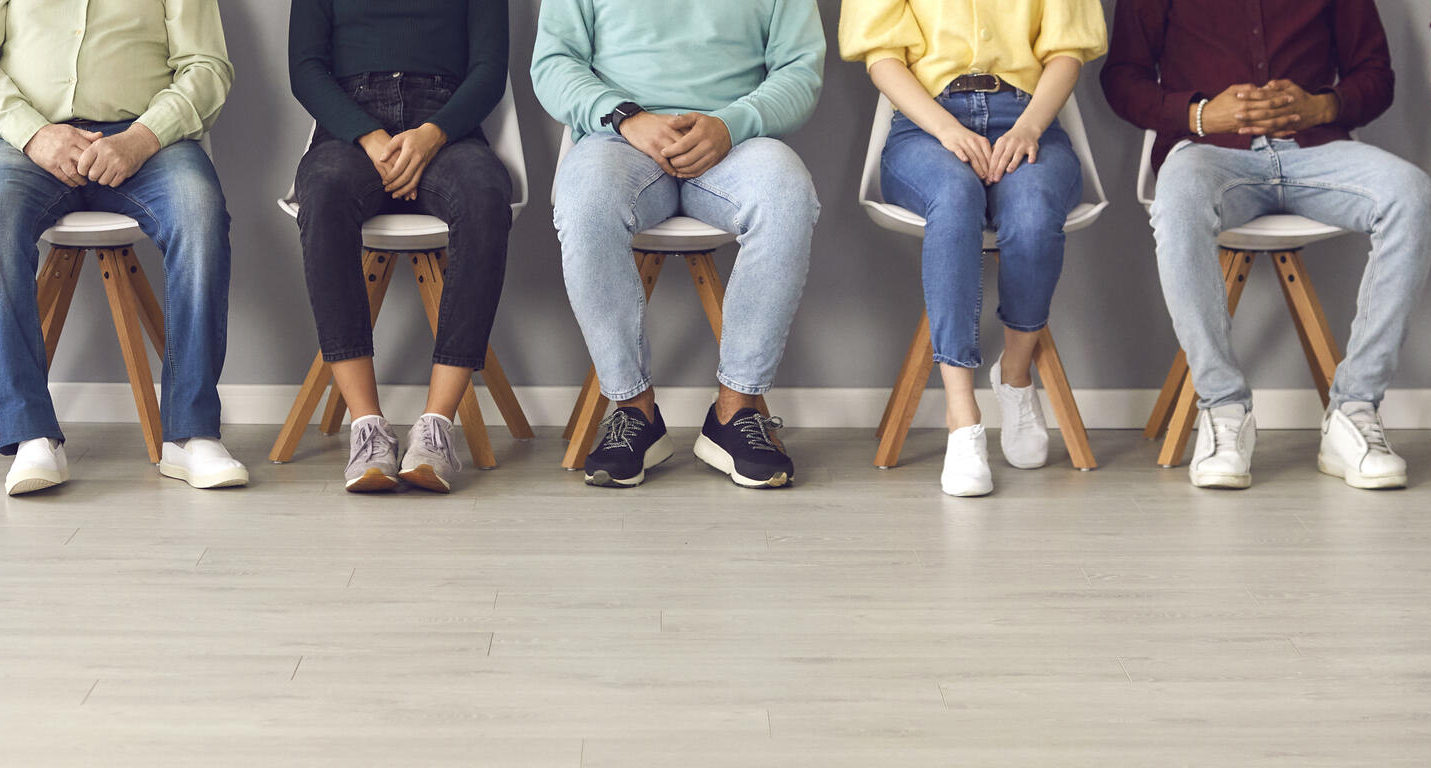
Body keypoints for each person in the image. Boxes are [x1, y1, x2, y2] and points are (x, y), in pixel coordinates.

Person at [1102, 0, 1431, 491]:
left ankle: (1354, 409)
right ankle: (1223, 408)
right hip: (1208, 154)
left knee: (1412, 195)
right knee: (1176, 203)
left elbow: (1375, 75)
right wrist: (1198, 114)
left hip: (1317, 152)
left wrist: (1323, 106)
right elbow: (1121, 78)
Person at [0, 0, 246, 496]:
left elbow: (207, 67)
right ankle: (31, 434)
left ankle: (191, 435)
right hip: (26, 144)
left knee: (200, 212)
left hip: (149, 142)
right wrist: (35, 134)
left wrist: (142, 138)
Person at [533, 0, 825, 490]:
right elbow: (553, 62)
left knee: (788, 195)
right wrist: (627, 117)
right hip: (620, 140)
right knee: (583, 205)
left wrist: (732, 123)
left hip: (735, 142)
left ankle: (735, 413)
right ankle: (633, 411)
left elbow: (800, 69)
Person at [840, 0, 1107, 497]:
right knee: (955, 197)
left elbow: (1068, 50)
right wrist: (946, 129)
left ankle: (1015, 376)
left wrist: (1028, 126)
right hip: (925, 123)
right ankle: (962, 418)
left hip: (1029, 115)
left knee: (1032, 213)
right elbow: (881, 55)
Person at [289, 0, 512, 495]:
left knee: (486, 197)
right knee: (323, 194)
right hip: (351, 130)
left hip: (446, 126)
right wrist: (371, 138)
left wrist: (431, 137)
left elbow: (490, 71)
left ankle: (436, 428)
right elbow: (305, 69)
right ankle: (367, 428)